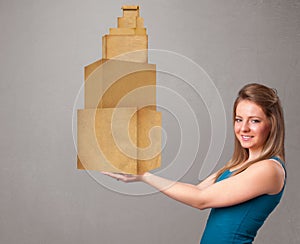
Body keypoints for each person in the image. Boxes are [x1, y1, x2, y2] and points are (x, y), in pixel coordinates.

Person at [102, 83, 286, 243]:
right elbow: (198, 190)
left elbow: (200, 200)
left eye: (254, 121)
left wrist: (145, 176)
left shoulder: (269, 169)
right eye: (239, 119)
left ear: (272, 123)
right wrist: (140, 171)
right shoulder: (239, 163)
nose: (243, 128)